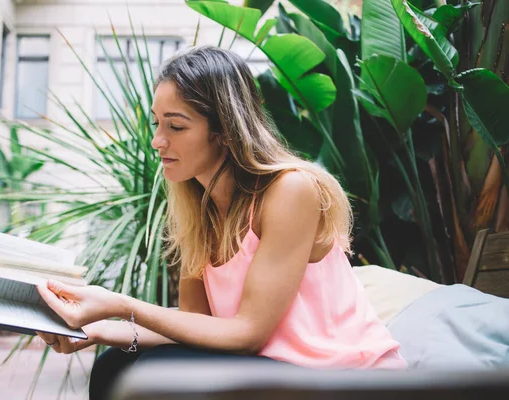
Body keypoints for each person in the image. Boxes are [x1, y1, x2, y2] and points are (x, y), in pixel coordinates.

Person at [36, 45, 407, 400]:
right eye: (157, 123)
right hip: (270, 368)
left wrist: (116, 304)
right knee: (114, 366)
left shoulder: (290, 191)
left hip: (340, 378)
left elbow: (248, 333)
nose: (157, 141)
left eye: (176, 127)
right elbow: (195, 324)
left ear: (226, 131)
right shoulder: (201, 211)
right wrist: (97, 331)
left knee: (158, 373)